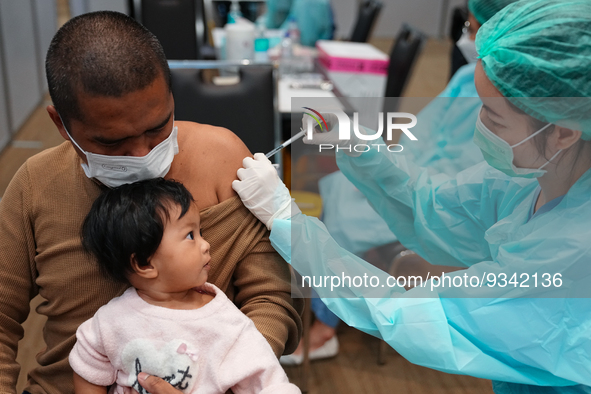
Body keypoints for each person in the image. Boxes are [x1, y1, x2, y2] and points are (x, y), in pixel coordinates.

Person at [233, 0, 591, 392]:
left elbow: (408, 313)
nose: (480, 126)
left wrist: (288, 221)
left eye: (493, 115)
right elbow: (434, 205)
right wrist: (359, 146)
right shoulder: (539, 175)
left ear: (563, 131)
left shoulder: (571, 249)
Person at [0, 11, 302, 394]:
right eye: (112, 143)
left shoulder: (222, 161)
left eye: (158, 127)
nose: (142, 153)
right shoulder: (37, 184)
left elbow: (271, 297)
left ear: (171, 95)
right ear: (61, 124)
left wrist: (219, 378)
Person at [283, 0, 520, 366]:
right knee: (338, 189)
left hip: (442, 194)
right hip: (419, 178)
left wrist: (393, 170)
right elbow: (419, 133)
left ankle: (324, 325)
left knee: (346, 223)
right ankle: (314, 300)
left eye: (470, 29)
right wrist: (374, 153)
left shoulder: (506, 103)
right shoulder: (465, 78)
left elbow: (469, 174)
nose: (464, 38)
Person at [69, 178, 300, 394]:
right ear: (143, 263)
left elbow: (269, 383)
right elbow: (88, 367)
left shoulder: (228, 324)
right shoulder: (111, 321)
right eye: (190, 235)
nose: (206, 245)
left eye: (201, 232)